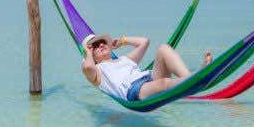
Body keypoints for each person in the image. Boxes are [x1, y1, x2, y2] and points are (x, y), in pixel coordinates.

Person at [80, 32, 211, 102]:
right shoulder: (98, 72)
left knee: (163, 48)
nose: (101, 45)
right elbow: (87, 68)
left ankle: (190, 78)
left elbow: (144, 42)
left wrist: (122, 41)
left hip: (149, 78)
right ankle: (197, 77)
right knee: (164, 83)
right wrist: (88, 52)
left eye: (103, 43)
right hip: (134, 90)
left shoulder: (124, 59)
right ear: (91, 53)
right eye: (95, 46)